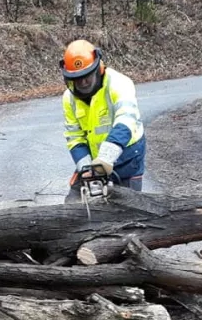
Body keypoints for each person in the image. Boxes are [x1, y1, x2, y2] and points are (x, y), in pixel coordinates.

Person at [59, 39, 146, 202]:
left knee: (129, 208)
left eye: (87, 77)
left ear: (98, 70)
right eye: (77, 79)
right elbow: (74, 136)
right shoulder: (68, 99)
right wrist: (86, 168)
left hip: (127, 155)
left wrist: (106, 158)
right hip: (95, 160)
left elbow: (126, 120)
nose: (83, 82)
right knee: (74, 203)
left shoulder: (119, 83)